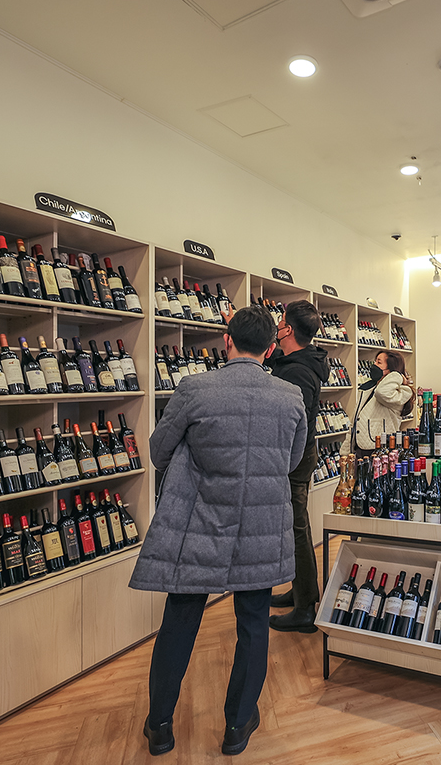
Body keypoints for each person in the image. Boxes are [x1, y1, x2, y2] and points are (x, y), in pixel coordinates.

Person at [130, 305, 307, 758]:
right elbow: (290, 461)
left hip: (200, 523)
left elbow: (158, 451)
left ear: (226, 340)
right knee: (254, 623)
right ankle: (237, 725)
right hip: (262, 525)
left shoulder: (195, 388)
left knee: (180, 621)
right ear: (271, 348)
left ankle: (160, 726)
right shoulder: (289, 396)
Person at [263, 300, 329, 634]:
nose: (276, 325)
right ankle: (302, 590)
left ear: (287, 329)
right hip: (301, 453)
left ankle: (305, 609)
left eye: (279, 321)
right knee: (296, 527)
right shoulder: (299, 360)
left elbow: (292, 423)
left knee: (297, 529)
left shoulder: (299, 372)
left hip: (294, 455)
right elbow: (277, 358)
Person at [354, 350, 414, 451]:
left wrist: (397, 375)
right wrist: (346, 450)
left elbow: (381, 392)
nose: (374, 364)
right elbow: (355, 420)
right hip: (360, 448)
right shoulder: (368, 388)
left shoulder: (399, 392)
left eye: (379, 362)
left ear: (391, 370)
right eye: (375, 361)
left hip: (380, 448)